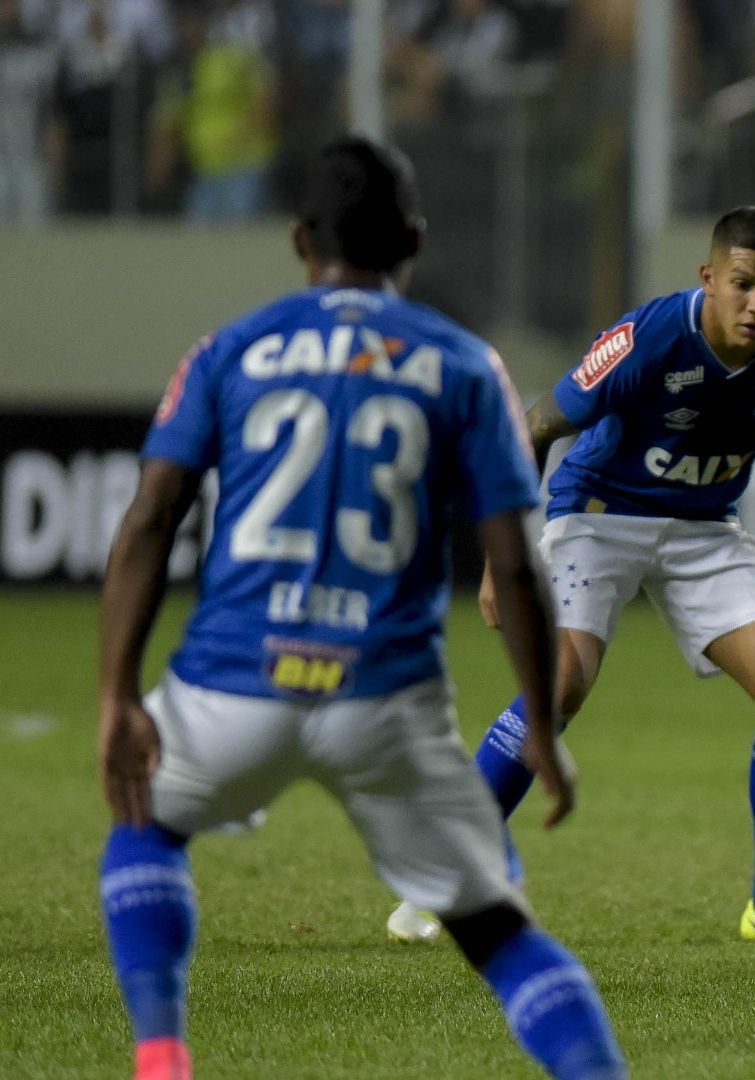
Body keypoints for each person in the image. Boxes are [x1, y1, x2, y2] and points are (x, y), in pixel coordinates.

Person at [97, 137, 626, 1080]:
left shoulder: (231, 348)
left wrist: (115, 694)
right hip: (386, 697)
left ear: (300, 240)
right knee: (502, 936)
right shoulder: (465, 365)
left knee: (146, 829)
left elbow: (150, 520)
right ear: (414, 241)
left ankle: (162, 1051)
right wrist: (541, 724)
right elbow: (515, 557)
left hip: (233, 683)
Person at [388, 206, 755, 945]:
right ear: (708, 278)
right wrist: (498, 559)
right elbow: (534, 424)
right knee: (563, 684)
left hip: (705, 530)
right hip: (597, 515)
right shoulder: (643, 341)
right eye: (742, 285)